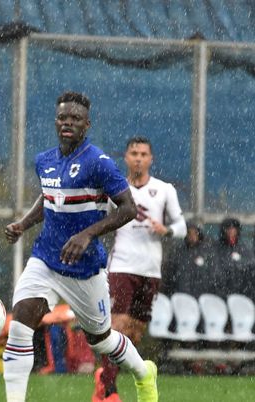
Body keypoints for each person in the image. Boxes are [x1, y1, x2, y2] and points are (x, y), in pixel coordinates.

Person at [2, 91, 158, 402]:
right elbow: (50, 196)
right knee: (20, 322)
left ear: (87, 124)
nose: (67, 123)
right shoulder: (44, 160)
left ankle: (143, 372)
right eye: (62, 118)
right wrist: (23, 223)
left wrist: (88, 235)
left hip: (85, 269)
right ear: (55, 122)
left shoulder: (99, 163)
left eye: (75, 118)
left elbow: (128, 208)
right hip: (45, 259)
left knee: (101, 340)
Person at [93, 136, 186, 402]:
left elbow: (182, 228)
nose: (138, 158)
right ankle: (110, 389)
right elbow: (102, 219)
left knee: (134, 332)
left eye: (143, 154)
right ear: (126, 157)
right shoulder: (117, 189)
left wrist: (165, 229)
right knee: (118, 326)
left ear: (150, 159)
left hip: (150, 270)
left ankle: (105, 377)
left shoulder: (164, 190)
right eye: (133, 153)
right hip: (122, 265)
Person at [161, 221, 213, 297]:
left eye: (195, 233)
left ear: (199, 234)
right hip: (180, 296)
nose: (192, 236)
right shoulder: (177, 252)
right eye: (189, 233)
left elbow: (212, 275)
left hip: (202, 297)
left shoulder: (206, 252)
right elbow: (169, 275)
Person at [214, 217, 255, 300]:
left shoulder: (244, 249)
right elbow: (215, 271)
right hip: (222, 294)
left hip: (243, 294)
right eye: (228, 229)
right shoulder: (216, 249)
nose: (231, 232)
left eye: (233, 229)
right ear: (223, 231)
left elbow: (250, 267)